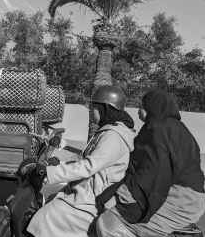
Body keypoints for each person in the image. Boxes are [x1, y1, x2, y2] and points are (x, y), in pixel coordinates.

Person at [26, 86, 136, 237]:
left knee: (46, 216)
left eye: (95, 107)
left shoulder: (114, 136)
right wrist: (59, 165)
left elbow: (89, 166)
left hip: (94, 198)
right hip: (87, 189)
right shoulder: (108, 130)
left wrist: (50, 172)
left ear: (106, 109)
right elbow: (87, 158)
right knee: (51, 199)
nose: (91, 111)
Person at [96, 89, 205, 237]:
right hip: (194, 200)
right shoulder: (179, 129)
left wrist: (122, 196)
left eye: (143, 106)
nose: (139, 111)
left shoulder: (156, 130)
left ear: (153, 107)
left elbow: (154, 172)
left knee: (109, 222)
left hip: (178, 201)